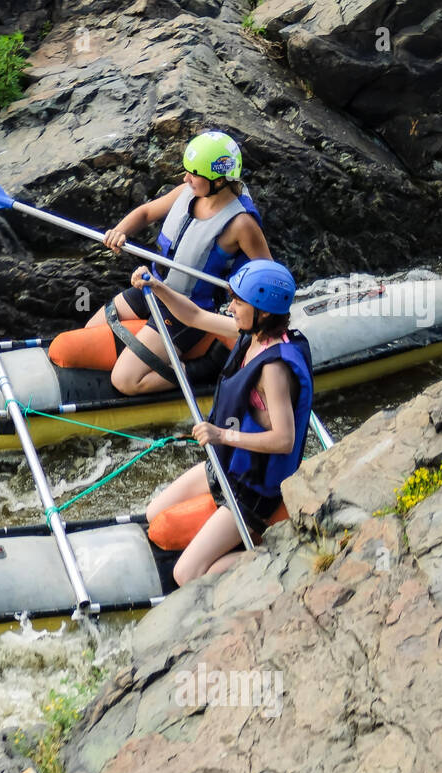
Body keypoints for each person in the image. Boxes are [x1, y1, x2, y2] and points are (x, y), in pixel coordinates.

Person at [49, 130, 273, 394]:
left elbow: (267, 275)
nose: (186, 177)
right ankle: (146, 349)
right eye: (187, 170)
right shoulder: (186, 192)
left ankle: (204, 367)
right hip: (153, 286)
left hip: (188, 310)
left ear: (220, 179)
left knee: (125, 381)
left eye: (194, 173)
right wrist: (120, 231)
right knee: (91, 331)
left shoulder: (241, 224)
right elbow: (145, 213)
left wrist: (246, 309)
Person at [140, 259, 314, 586]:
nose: (230, 306)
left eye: (238, 301)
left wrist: (222, 434)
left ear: (262, 311)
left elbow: (283, 440)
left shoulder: (274, 370)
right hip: (228, 467)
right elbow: (193, 316)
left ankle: (277, 556)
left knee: (186, 574)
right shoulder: (250, 334)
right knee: (152, 514)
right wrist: (158, 288)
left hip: (254, 490)